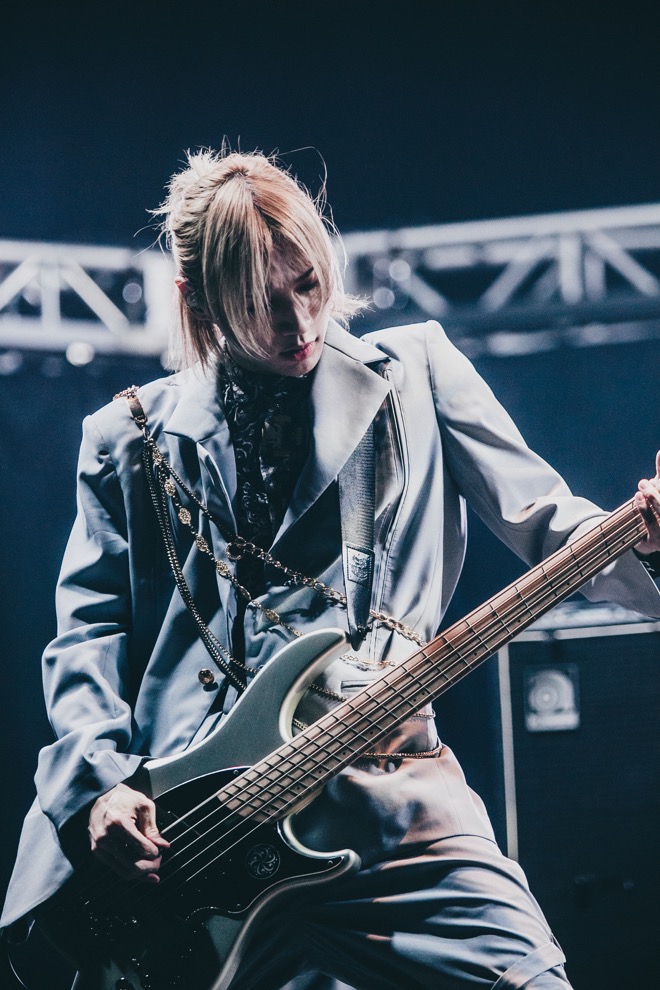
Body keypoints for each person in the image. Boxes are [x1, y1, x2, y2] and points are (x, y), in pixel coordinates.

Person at [2, 147, 660, 990]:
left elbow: (548, 521)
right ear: (198, 300)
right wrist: (99, 786)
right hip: (195, 839)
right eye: (261, 301)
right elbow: (88, 636)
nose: (298, 319)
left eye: (308, 283)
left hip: (391, 803)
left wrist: (645, 536)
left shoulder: (418, 372)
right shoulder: (127, 437)